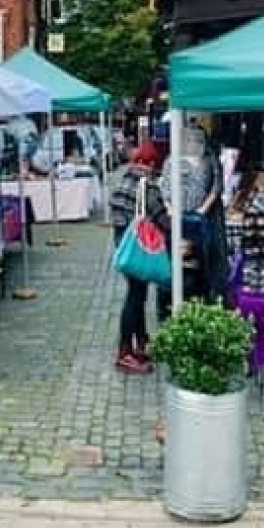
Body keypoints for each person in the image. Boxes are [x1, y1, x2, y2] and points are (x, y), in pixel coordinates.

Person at [108, 142, 164, 374]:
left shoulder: (123, 179)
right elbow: (161, 217)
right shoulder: (147, 187)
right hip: (139, 248)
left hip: (124, 246)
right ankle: (125, 352)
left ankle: (141, 341)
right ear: (151, 164)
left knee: (137, 294)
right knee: (135, 297)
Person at [160, 123, 225, 308]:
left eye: (197, 138)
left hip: (199, 216)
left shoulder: (210, 159)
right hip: (176, 216)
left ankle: (200, 300)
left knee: (200, 260)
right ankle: (174, 301)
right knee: (177, 260)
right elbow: (164, 186)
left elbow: (216, 186)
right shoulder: (172, 159)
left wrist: (203, 208)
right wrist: (170, 208)